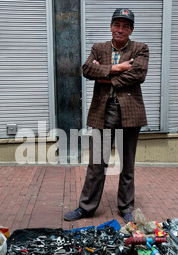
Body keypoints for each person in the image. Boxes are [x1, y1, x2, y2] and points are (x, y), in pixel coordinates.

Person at [64, 8, 149, 223]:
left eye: (125, 26)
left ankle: (126, 207)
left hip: (130, 113)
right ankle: (86, 207)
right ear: (111, 27)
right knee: (96, 163)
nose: (120, 29)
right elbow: (86, 70)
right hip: (103, 111)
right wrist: (118, 67)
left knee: (127, 164)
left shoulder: (141, 48)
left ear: (131, 29)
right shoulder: (98, 48)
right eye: (117, 25)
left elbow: (138, 74)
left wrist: (104, 76)